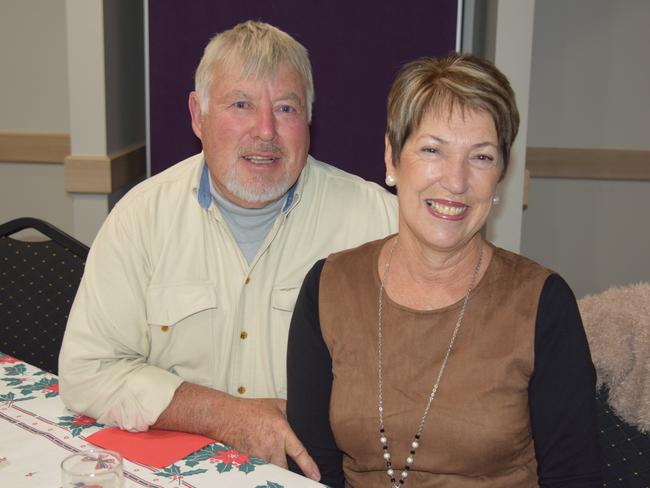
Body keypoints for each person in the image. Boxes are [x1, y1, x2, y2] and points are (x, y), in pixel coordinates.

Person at [58, 20, 397, 481]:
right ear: (197, 115)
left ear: (309, 120)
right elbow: (87, 370)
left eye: (286, 108)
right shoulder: (141, 217)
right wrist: (226, 416)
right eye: (241, 104)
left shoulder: (378, 224)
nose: (265, 130)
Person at [286, 53, 602, 487]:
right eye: (433, 150)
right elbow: (312, 471)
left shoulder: (543, 303)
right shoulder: (327, 289)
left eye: (481, 157)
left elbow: (573, 478)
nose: (455, 181)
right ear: (392, 158)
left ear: (500, 176)